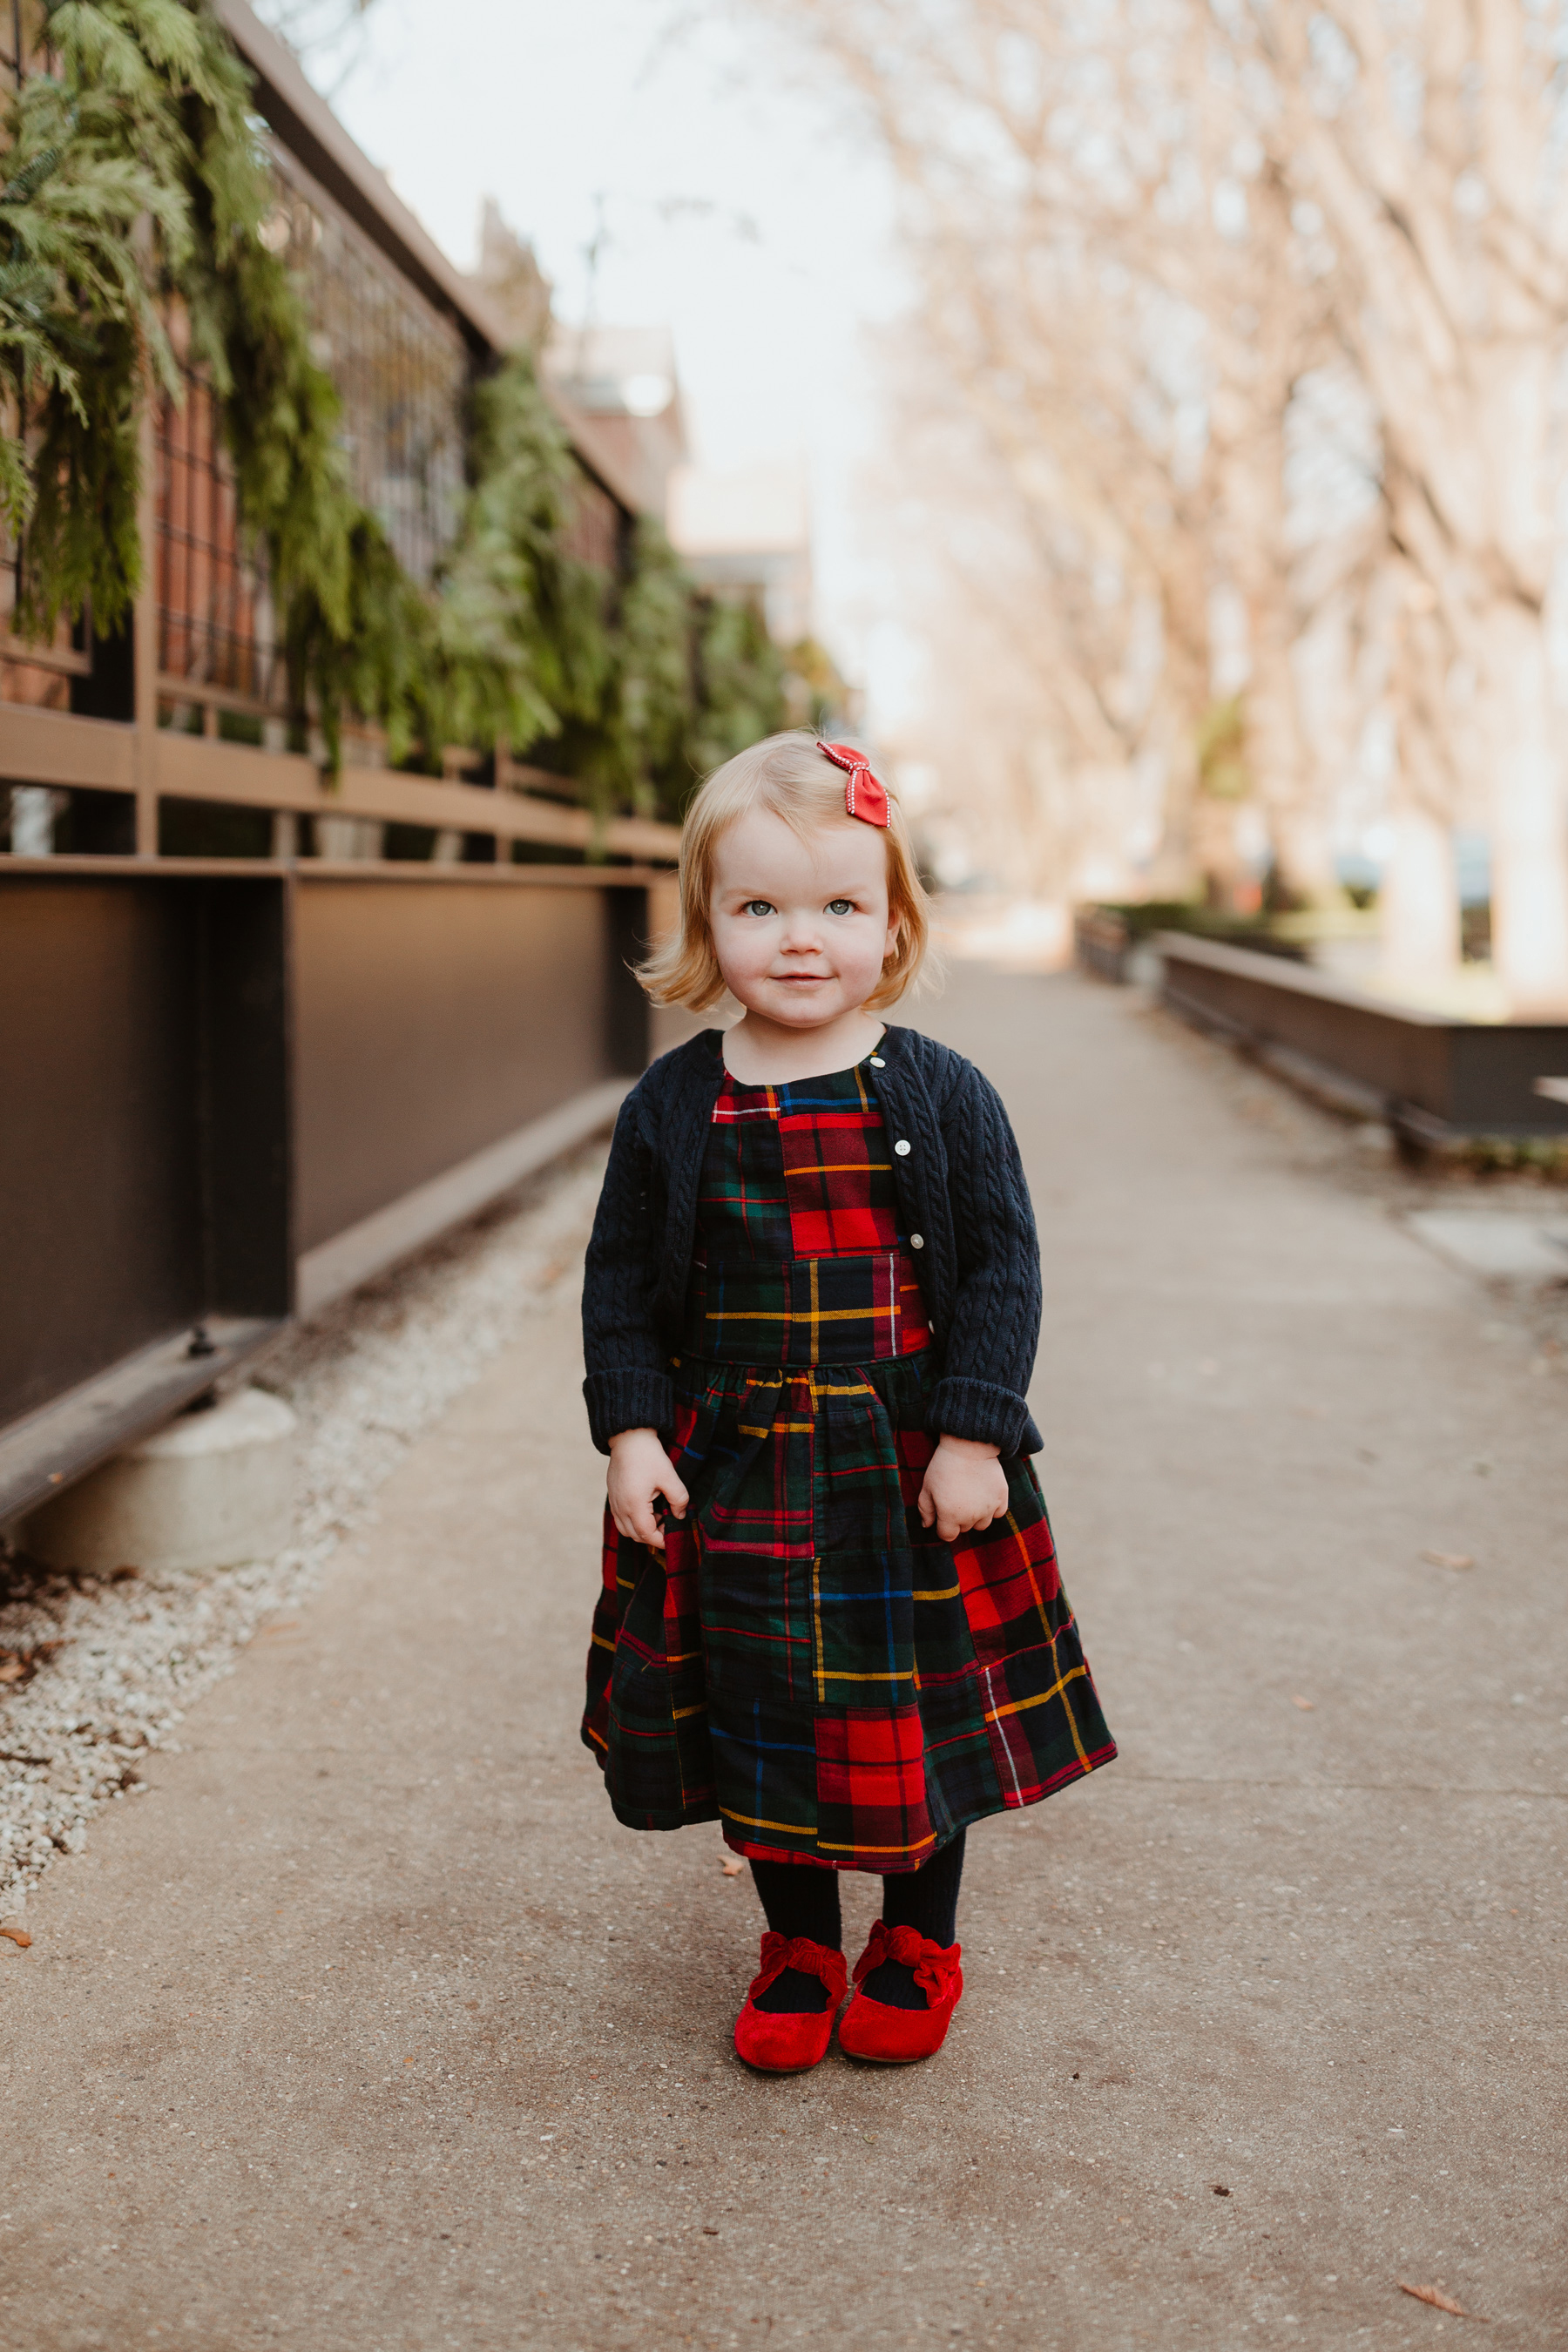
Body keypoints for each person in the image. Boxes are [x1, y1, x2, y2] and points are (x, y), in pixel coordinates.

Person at [580, 730, 1115, 2072]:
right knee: (758, 1713)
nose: (800, 939)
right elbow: (619, 1288)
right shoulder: (673, 1105)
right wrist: (634, 1430)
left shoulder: (939, 1094)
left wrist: (979, 1432)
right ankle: (803, 1941)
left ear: (892, 922)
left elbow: (1003, 1270)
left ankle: (917, 1936)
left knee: (913, 1713)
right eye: (759, 907)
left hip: (905, 1464)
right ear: (707, 921)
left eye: (838, 906)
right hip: (737, 1466)